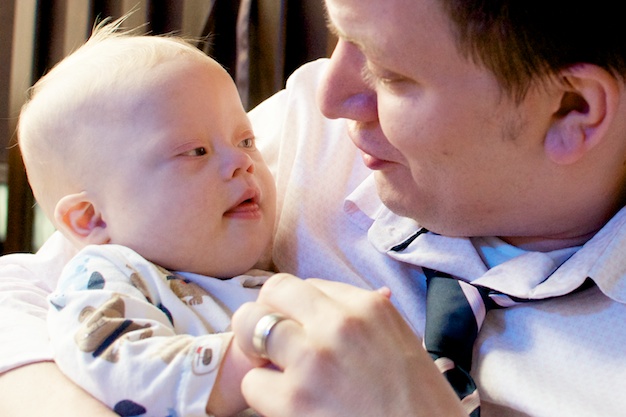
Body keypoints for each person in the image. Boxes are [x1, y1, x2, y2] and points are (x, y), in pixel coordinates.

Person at [2, 0, 626, 416]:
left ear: (573, 109)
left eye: (390, 74)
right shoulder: (307, 136)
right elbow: (24, 297)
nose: (330, 95)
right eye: (339, 39)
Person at [15, 19, 276, 417]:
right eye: (196, 152)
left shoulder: (261, 275)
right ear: (90, 219)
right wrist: (245, 360)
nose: (242, 163)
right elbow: (117, 362)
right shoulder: (108, 275)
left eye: (246, 140)